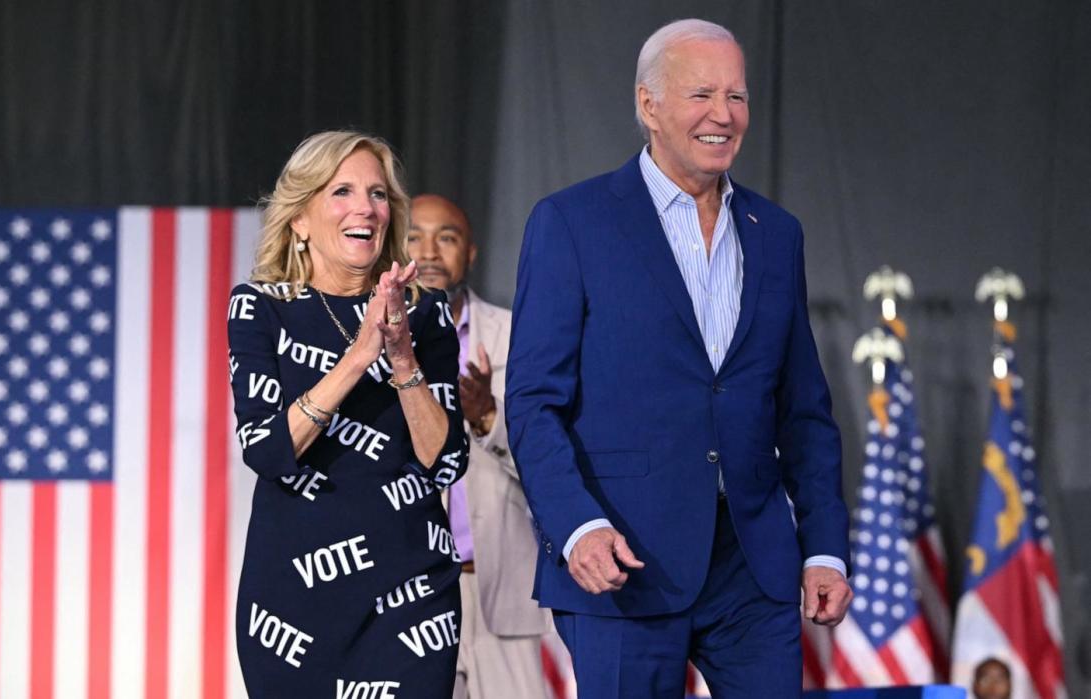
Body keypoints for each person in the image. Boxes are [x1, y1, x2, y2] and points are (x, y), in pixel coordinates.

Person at [505, 18, 852, 698]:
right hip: (624, 555)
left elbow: (803, 411)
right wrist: (577, 525)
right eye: (701, 95)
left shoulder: (777, 234)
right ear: (648, 105)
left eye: (737, 96)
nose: (724, 115)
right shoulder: (571, 222)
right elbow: (532, 401)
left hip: (751, 564)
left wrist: (823, 545)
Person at [228, 131, 469, 696]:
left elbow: (448, 460)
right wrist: (361, 353)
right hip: (295, 605)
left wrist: (402, 353)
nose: (366, 208)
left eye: (378, 194)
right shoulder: (261, 307)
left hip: (412, 598)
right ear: (301, 220)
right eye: (342, 192)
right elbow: (266, 450)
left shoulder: (426, 314)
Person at [407, 194, 552, 698]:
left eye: (445, 237)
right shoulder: (372, 339)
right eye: (413, 236)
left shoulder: (516, 336)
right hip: (412, 592)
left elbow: (552, 456)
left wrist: (488, 417)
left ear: (469, 253)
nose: (428, 251)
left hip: (502, 591)